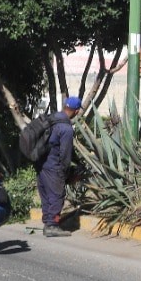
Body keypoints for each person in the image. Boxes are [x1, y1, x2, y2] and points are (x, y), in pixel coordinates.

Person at [36, 96, 80, 237]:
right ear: (77, 111)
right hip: (54, 165)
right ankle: (52, 225)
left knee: (46, 194)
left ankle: (47, 221)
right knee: (57, 195)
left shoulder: (52, 119)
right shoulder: (66, 128)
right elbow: (65, 154)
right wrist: (66, 172)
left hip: (41, 164)